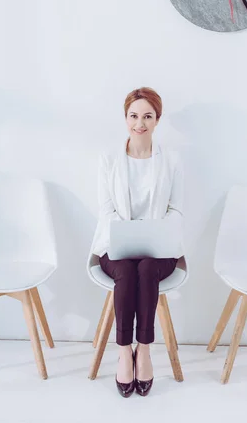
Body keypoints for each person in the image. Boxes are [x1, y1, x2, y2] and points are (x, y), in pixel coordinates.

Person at [91, 87, 184, 397]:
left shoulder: (171, 159)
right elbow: (106, 210)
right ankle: (123, 351)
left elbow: (177, 209)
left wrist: (155, 230)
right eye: (133, 116)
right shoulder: (108, 158)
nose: (139, 123)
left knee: (145, 269)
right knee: (129, 272)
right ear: (125, 118)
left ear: (157, 119)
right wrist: (126, 231)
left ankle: (143, 350)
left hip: (159, 249)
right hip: (116, 245)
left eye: (147, 116)